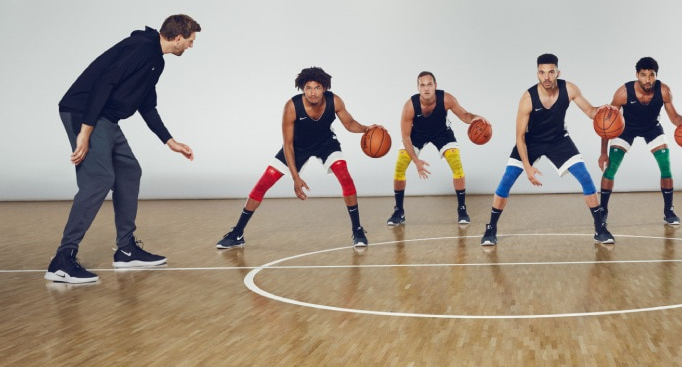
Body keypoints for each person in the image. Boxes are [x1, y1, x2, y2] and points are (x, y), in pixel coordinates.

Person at [45, 15, 201, 284]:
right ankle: (62, 259)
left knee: (129, 171)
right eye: (189, 41)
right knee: (99, 180)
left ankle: (126, 249)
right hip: (84, 112)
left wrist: (169, 140)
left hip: (105, 117)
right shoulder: (140, 48)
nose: (190, 46)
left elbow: (147, 104)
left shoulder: (155, 60)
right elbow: (105, 83)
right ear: (177, 38)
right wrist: (85, 131)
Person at [216, 67, 379, 250]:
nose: (312, 92)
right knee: (262, 184)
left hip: (326, 143)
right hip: (297, 147)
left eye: (317, 87)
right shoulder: (292, 107)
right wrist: (295, 177)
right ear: (302, 88)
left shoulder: (335, 101)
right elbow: (288, 144)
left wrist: (367, 129)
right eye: (308, 88)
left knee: (345, 176)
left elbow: (349, 124)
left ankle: (357, 230)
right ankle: (237, 233)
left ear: (324, 88)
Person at [481, 53, 611, 246]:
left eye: (551, 72)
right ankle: (491, 228)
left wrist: (607, 109)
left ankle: (600, 228)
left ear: (558, 72)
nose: (547, 77)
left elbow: (591, 112)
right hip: (530, 141)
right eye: (542, 73)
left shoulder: (569, 89)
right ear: (537, 74)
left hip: (559, 140)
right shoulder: (528, 98)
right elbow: (519, 136)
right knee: (506, 181)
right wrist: (527, 167)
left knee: (585, 178)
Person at [598, 56, 682, 226]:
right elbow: (605, 124)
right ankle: (603, 210)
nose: (648, 80)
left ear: (656, 75)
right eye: (644, 75)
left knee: (665, 165)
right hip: (626, 129)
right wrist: (603, 152)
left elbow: (675, 118)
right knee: (611, 168)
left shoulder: (664, 91)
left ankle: (669, 211)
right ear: (637, 75)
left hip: (651, 128)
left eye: (651, 75)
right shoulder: (623, 93)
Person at [387, 71, 487, 227]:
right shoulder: (410, 106)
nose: (426, 88)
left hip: (442, 133)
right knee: (399, 166)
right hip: (417, 135)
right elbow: (406, 137)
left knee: (457, 165)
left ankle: (462, 209)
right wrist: (416, 161)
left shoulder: (447, 99)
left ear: (435, 85)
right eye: (422, 85)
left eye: (429, 84)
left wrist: (475, 118)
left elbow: (465, 115)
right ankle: (399, 211)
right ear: (418, 87)